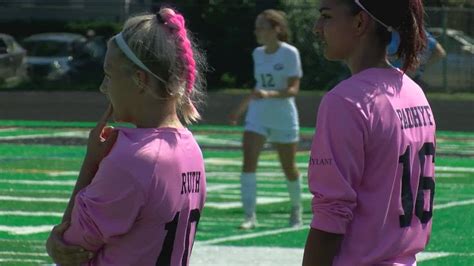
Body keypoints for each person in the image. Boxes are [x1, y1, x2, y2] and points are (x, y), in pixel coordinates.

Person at [45, 8, 207, 266]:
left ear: (139, 80)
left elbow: (70, 248)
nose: (103, 87)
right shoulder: (191, 147)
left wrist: (91, 162)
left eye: (109, 75)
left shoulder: (134, 159)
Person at [303, 0, 436, 265]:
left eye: (327, 16)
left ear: (360, 22)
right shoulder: (414, 92)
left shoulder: (345, 100)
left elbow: (331, 214)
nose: (318, 28)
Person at [228, 9, 304, 229]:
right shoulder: (257, 54)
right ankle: (249, 216)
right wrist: (239, 110)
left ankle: (296, 209)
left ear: (275, 29)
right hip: (258, 114)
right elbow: (258, 87)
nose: (256, 32)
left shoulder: (290, 53)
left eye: (261, 27)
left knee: (289, 167)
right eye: (256, 27)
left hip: (283, 115)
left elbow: (293, 89)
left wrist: (270, 94)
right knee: (248, 162)